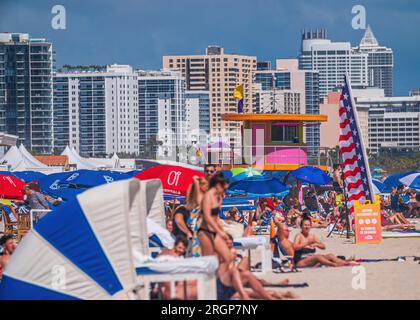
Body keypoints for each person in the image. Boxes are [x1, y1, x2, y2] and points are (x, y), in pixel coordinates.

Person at [293, 217, 358, 268]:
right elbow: (295, 247)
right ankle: (335, 264)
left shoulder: (312, 237)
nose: (307, 227)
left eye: (308, 225)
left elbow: (323, 246)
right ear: (301, 226)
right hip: (300, 261)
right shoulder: (299, 236)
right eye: (305, 225)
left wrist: (316, 244)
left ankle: (346, 262)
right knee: (318, 256)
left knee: (330, 255)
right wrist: (306, 244)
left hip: (311, 260)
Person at [197, 173, 232, 264]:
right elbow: (207, 217)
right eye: (224, 189)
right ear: (217, 185)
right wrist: (220, 231)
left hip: (215, 232)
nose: (225, 191)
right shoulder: (207, 196)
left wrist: (223, 231)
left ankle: (221, 276)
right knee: (209, 262)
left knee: (227, 257)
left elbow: (216, 218)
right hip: (205, 231)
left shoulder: (219, 197)